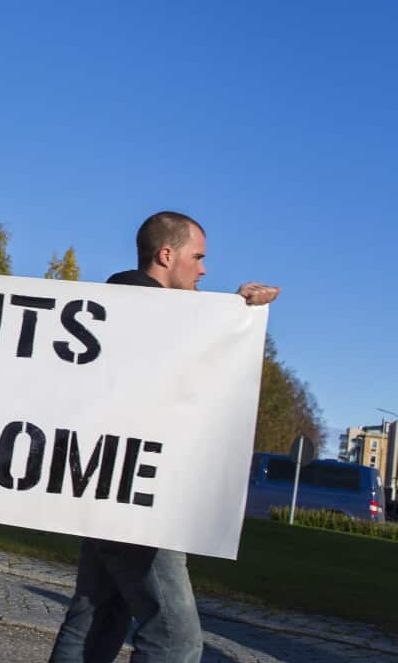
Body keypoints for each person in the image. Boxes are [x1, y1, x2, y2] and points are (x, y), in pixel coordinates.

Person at [47, 211, 280, 663]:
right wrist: (229, 316)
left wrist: (231, 311)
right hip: (139, 501)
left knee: (97, 617)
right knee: (175, 639)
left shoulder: (118, 312)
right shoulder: (144, 312)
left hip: (106, 490)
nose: (205, 268)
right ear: (166, 254)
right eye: (199, 257)